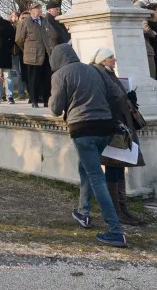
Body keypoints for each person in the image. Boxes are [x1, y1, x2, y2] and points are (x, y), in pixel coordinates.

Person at [48, 44, 127, 248]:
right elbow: (117, 94)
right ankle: (83, 212)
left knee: (95, 177)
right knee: (86, 169)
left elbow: (56, 109)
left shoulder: (60, 75)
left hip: (83, 130)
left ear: (56, 60)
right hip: (105, 128)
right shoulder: (94, 70)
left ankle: (115, 231)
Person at [89, 47, 145, 226]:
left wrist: (130, 99)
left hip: (121, 123)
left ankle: (122, 207)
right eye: (111, 57)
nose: (114, 59)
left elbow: (118, 96)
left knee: (119, 166)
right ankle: (115, 209)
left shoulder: (109, 73)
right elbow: (105, 99)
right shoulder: (99, 75)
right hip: (112, 125)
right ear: (103, 60)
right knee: (113, 166)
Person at [16, 1, 58, 108]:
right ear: (31, 10)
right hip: (32, 55)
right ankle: (34, 100)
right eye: (36, 8)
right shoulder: (25, 22)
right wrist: (27, 49)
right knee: (33, 79)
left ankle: (46, 100)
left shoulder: (44, 21)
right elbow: (19, 39)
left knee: (46, 79)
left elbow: (52, 35)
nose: (39, 10)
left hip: (45, 54)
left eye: (40, 8)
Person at [10, 11, 26, 100]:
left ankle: (21, 93)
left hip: (17, 53)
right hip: (17, 52)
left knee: (19, 73)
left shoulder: (16, 26)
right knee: (20, 73)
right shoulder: (16, 26)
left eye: (12, 16)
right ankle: (22, 93)